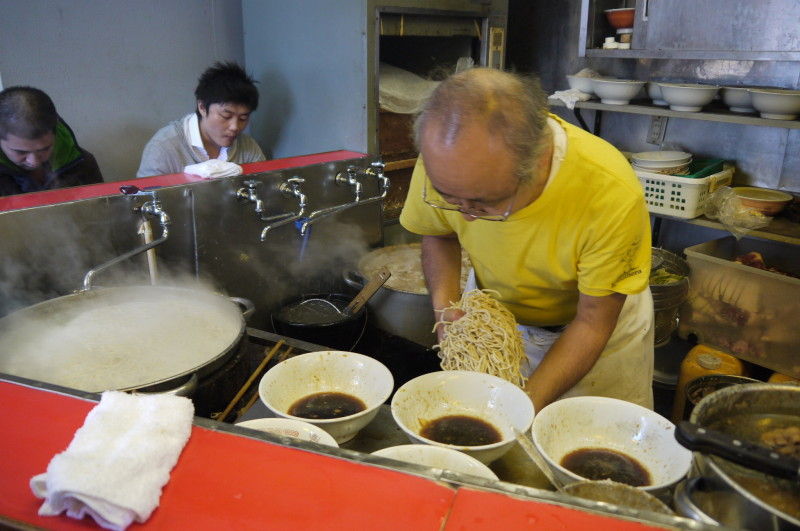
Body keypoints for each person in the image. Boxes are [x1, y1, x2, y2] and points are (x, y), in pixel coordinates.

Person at [399, 68, 654, 412]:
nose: (467, 216)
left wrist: (520, 408)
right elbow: (440, 235)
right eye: (450, 198)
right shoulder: (446, 160)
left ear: (537, 161)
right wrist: (447, 314)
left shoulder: (608, 192)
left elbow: (592, 324)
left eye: (484, 203)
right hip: (493, 316)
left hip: (593, 329)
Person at [137, 61, 266, 177]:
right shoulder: (164, 148)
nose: (235, 127)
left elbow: (264, 187)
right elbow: (147, 194)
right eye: (226, 116)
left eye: (243, 118)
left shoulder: (248, 147)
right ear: (202, 107)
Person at [0, 86, 103, 196]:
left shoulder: (81, 163)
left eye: (45, 149)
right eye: (21, 152)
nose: (34, 162)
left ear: (55, 135)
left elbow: (103, 204)